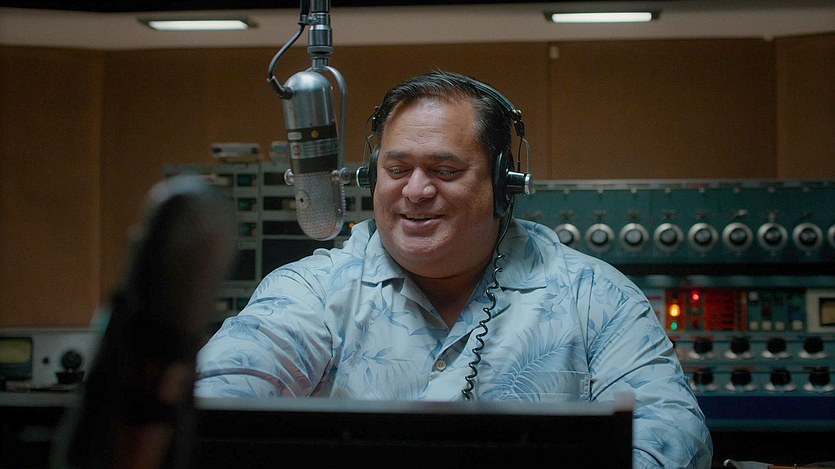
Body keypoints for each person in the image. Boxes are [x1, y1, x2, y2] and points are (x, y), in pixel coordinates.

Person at [194, 70, 713, 468]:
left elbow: (672, 435)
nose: (416, 191)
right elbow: (215, 397)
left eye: (444, 170)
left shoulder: (597, 296)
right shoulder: (309, 291)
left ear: (503, 185)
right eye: (397, 169)